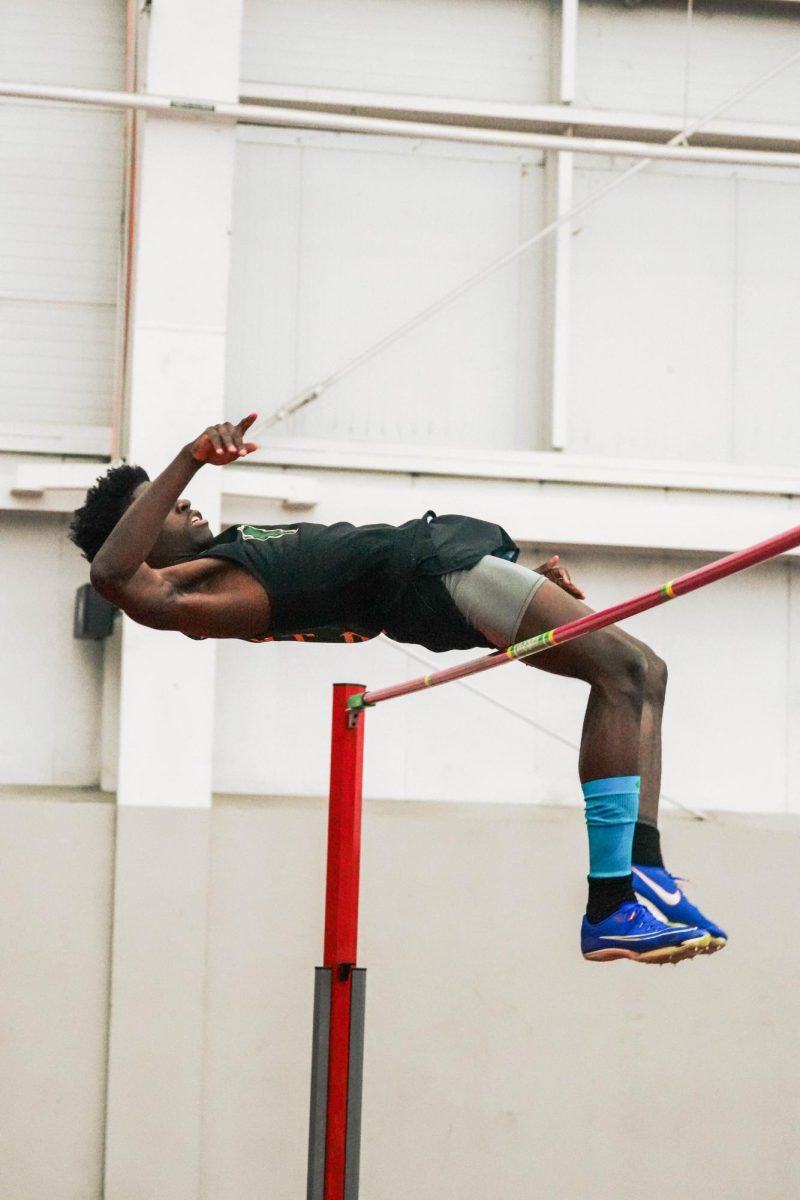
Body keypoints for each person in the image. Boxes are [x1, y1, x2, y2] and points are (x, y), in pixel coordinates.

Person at [70, 414, 727, 965]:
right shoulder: (187, 597)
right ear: (137, 541)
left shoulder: (233, 554)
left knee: (648, 673)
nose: (178, 499)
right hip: (437, 574)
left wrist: (518, 586)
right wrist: (188, 458)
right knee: (624, 673)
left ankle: (644, 868)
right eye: (153, 502)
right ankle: (611, 902)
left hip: (451, 576)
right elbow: (113, 573)